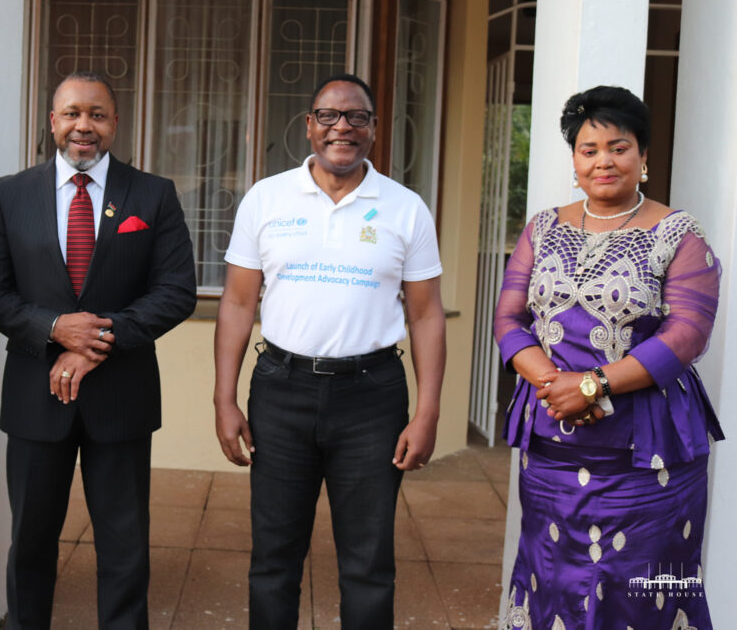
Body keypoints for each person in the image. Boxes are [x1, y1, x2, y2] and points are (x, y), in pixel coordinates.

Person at [214, 73, 446, 629]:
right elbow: (239, 304)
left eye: (357, 117)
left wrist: (428, 411)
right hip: (280, 390)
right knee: (273, 558)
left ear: (373, 128)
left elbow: (426, 314)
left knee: (368, 563)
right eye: (330, 116)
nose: (343, 126)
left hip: (372, 398)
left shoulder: (405, 207)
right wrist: (224, 399)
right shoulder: (266, 199)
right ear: (309, 125)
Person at [0, 71, 196, 629]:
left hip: (121, 398)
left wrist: (94, 340)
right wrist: (53, 328)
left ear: (114, 123)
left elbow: (175, 293)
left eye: (97, 114)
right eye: (72, 113)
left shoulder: (153, 195)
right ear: (52, 121)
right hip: (33, 397)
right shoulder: (10, 194)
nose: (83, 125)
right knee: (29, 542)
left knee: (124, 546)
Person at [495, 85, 722, 629]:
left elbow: (688, 332)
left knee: (639, 589)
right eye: (589, 149)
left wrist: (593, 385)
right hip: (552, 446)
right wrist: (558, 386)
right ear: (574, 161)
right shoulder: (543, 228)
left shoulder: (678, 233)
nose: (603, 161)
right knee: (553, 577)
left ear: (643, 157)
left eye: (618, 147)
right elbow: (508, 320)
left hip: (648, 453)